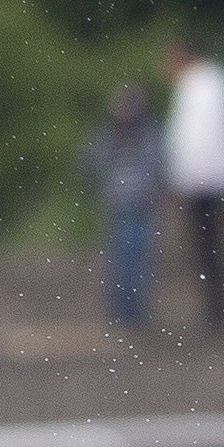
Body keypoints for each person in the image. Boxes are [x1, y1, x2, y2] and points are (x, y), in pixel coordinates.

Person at [162, 41, 224, 337]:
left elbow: (198, 139)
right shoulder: (208, 83)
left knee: (209, 249)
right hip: (208, 179)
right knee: (209, 249)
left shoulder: (202, 85)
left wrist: (186, 178)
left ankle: (217, 312)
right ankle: (216, 310)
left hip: (205, 182)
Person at [82, 80, 164, 334]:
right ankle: (121, 313)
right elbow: (89, 163)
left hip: (138, 206)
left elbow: (157, 166)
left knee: (134, 260)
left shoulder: (147, 135)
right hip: (121, 206)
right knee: (122, 260)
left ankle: (131, 313)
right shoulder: (109, 135)